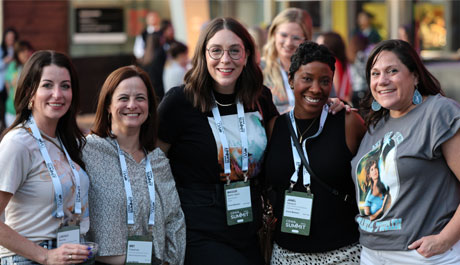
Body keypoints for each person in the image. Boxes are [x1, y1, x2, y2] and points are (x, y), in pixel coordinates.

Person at [157, 17, 279, 265]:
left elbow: (285, 142)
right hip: (199, 229)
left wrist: (329, 109)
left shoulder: (260, 97)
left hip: (249, 226)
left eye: (235, 50)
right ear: (203, 55)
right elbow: (153, 162)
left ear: (247, 56)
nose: (226, 59)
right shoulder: (180, 102)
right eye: (216, 50)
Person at [351, 39, 460, 264]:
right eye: (375, 73)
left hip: (421, 256)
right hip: (371, 253)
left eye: (392, 71)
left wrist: (445, 240)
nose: (382, 80)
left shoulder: (438, 112)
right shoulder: (376, 123)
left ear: (415, 75)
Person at [265, 41, 366, 264]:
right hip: (287, 254)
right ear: (291, 80)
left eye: (325, 81)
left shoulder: (348, 122)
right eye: (307, 79)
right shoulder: (274, 127)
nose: (316, 89)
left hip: (344, 253)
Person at [83, 65, 185, 265]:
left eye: (140, 98)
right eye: (123, 98)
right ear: (108, 105)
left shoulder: (157, 161)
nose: (132, 105)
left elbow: (174, 220)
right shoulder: (87, 152)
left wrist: (170, 262)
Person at [0, 50, 91, 264]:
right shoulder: (18, 143)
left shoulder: (69, 141)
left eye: (65, 86)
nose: (58, 94)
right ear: (30, 91)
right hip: (31, 258)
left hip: (70, 253)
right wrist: (45, 256)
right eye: (47, 85)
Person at [262, 8, 313, 114]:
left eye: (296, 38)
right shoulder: (260, 69)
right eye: (283, 35)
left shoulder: (316, 68)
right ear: (274, 34)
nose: (288, 43)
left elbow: (329, 101)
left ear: (306, 40)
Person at [316, 31, 352, 102]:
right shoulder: (343, 62)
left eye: (320, 45)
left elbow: (335, 89)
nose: (316, 49)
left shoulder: (333, 62)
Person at [4, 40, 33, 127]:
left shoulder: (33, 67)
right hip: (12, 109)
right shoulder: (13, 65)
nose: (26, 53)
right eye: (22, 51)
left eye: (28, 50)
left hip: (29, 110)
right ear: (17, 54)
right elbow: (7, 83)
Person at [0, 28, 18, 131]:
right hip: (2, 84)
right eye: (8, 37)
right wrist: (5, 61)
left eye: (12, 38)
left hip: (13, 84)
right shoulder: (1, 50)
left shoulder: (16, 49)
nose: (10, 39)